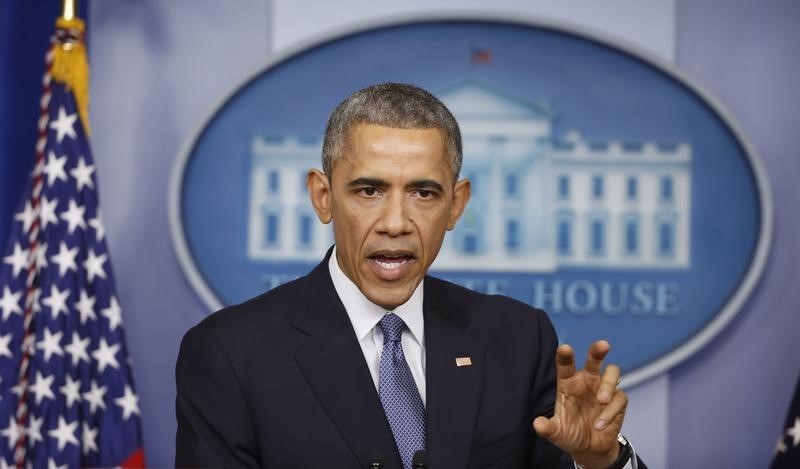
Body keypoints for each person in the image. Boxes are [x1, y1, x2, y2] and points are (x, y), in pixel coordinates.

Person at [175, 83, 646, 469]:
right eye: (369, 190)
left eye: (423, 193)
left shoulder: (519, 339)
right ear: (323, 196)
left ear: (456, 205)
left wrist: (601, 461)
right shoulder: (230, 352)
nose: (396, 222)